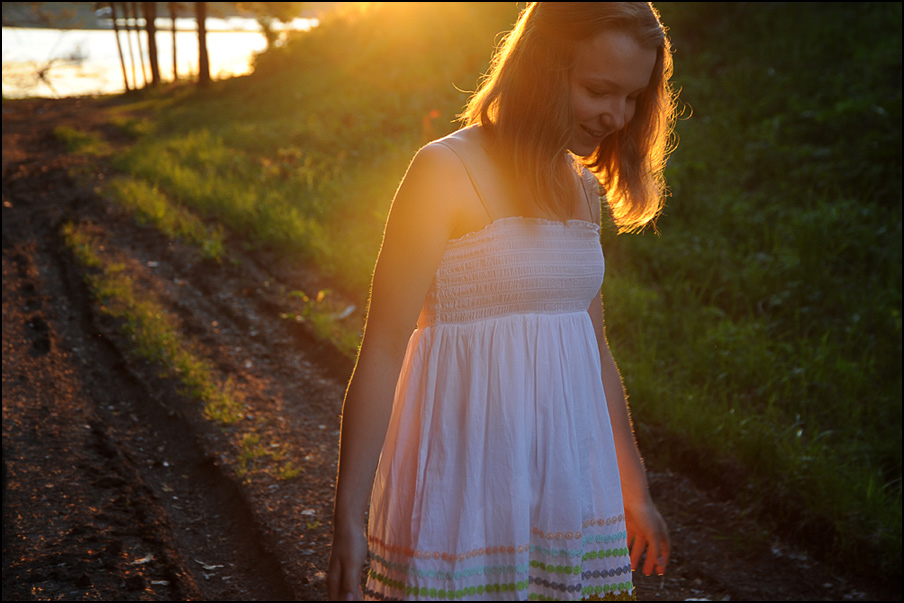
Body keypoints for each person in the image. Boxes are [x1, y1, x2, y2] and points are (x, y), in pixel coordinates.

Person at [328, 2, 678, 600]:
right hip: (463, 489)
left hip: (564, 487)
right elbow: (383, 348)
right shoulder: (443, 170)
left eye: (632, 98)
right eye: (600, 90)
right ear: (542, 66)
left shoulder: (581, 188)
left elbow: (594, 352)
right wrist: (346, 520)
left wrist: (634, 490)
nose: (617, 115)